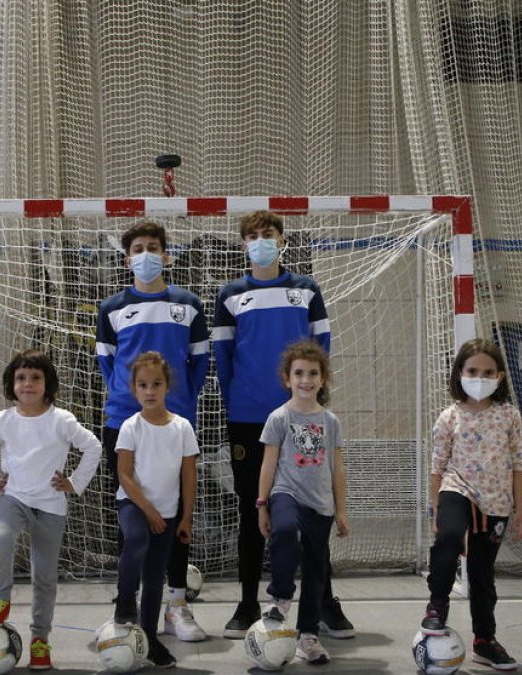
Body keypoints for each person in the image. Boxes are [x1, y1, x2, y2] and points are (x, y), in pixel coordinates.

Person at [213, 210, 354, 640]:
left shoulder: (306, 290)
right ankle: (247, 603)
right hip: (248, 418)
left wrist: (307, 401)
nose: (261, 241)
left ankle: (324, 602)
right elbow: (223, 360)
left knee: (314, 511)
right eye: (252, 236)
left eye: (268, 234)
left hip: (303, 419)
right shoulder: (230, 294)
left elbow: (319, 352)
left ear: (282, 240)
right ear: (243, 245)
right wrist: (241, 400)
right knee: (250, 510)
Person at [96, 221, 209, 642]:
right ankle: (125, 606)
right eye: (138, 248)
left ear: (167, 254)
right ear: (128, 259)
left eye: (154, 247)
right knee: (130, 518)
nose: (146, 254)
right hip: (123, 423)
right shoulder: (111, 308)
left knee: (176, 516)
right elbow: (108, 365)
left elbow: (198, 365)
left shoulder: (189, 304)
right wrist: (131, 404)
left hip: (175, 424)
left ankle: (175, 605)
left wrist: (177, 404)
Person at [0, 349, 103, 670]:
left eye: (35, 378)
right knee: (0, 541)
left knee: (44, 577)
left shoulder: (61, 420)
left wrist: (74, 482)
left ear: (48, 384)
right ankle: (0, 599)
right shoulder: (4, 420)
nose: (27, 384)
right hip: (13, 498)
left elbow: (93, 447)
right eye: (20, 378)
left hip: (50, 506)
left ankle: (40, 640)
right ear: (11, 384)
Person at [420, 338, 522, 671]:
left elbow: (518, 463)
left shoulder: (509, 415)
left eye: (488, 372)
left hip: (495, 501)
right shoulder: (449, 416)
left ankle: (485, 640)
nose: (480, 377)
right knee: (449, 538)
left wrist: (519, 510)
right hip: (457, 489)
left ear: (500, 376)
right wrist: (436, 510)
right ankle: (437, 604)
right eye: (472, 371)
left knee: (482, 574)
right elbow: (438, 466)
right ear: (460, 373)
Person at [256, 340, 349, 665]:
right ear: (287, 378)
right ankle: (280, 597)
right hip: (286, 493)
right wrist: (262, 504)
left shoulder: (331, 422)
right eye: (299, 373)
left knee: (316, 569)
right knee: (284, 530)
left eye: (313, 373)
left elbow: (337, 468)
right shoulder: (278, 418)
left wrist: (340, 510)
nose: (306, 380)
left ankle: (308, 636)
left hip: (321, 505)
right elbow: (268, 464)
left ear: (323, 379)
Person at [113, 351, 199, 668]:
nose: (150, 391)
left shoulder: (182, 428)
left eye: (156, 384)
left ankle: (149, 637)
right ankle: (124, 603)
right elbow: (124, 474)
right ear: (134, 389)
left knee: (154, 577)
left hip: (167, 512)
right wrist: (148, 510)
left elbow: (189, 475)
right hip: (133, 504)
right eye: (143, 385)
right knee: (136, 540)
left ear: (167, 387)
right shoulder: (130, 427)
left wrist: (185, 516)